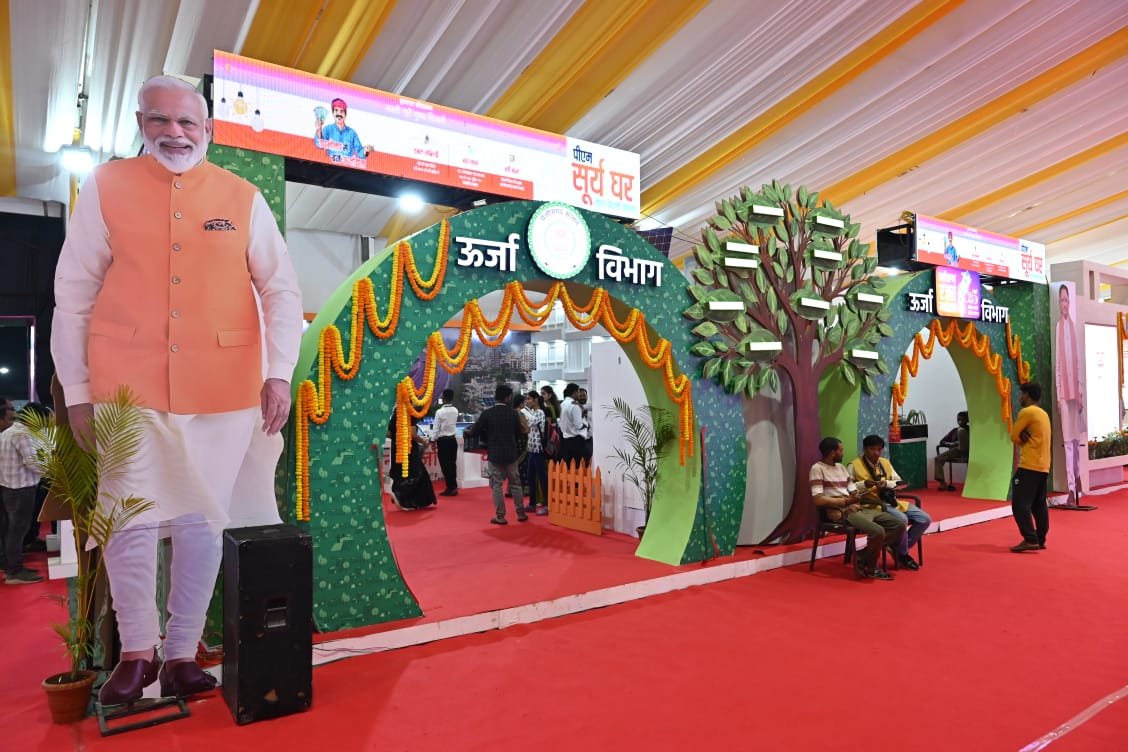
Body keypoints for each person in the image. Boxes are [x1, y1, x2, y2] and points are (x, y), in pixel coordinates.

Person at [51, 76, 303, 704]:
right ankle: (137, 654)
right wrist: (77, 390)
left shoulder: (242, 197)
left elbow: (280, 289)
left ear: (207, 129)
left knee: (203, 520)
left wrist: (278, 371)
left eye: (188, 122)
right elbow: (74, 293)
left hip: (224, 388)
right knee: (128, 521)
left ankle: (183, 653)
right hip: (124, 386)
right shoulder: (106, 186)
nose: (175, 133)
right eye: (160, 120)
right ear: (141, 123)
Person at [811, 437, 904, 581]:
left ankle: (862, 555)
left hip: (856, 508)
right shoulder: (817, 469)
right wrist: (845, 501)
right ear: (832, 452)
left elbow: (853, 490)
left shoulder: (841, 468)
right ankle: (871, 568)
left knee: (899, 525)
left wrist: (858, 494)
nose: (843, 453)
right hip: (840, 513)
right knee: (878, 531)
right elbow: (818, 499)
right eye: (841, 450)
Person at [849, 434, 930, 570]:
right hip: (871, 504)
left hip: (891, 501)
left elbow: (898, 482)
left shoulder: (885, 462)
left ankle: (896, 548)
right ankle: (902, 554)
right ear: (865, 449)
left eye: (879, 449)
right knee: (902, 519)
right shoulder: (854, 465)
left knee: (925, 519)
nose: (876, 453)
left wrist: (886, 483)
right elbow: (848, 487)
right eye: (872, 449)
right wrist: (864, 484)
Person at [0, 403, 50, 584]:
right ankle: (14, 571)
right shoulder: (23, 434)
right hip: (21, 489)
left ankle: (9, 564)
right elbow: (34, 463)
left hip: (8, 487)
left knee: (9, 529)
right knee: (18, 530)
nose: (42, 425)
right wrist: (52, 470)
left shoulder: (8, 432)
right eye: (42, 421)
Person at [464, 385, 527, 525]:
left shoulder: (488, 413)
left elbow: (475, 431)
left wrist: (467, 434)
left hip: (494, 454)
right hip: (511, 453)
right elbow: (519, 433)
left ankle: (500, 516)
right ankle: (521, 513)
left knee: (496, 485)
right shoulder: (513, 414)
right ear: (508, 397)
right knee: (515, 484)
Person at [1010, 382, 1051, 552]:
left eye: (1022, 394)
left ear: (1027, 395)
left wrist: (1021, 436)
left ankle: (1030, 539)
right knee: (1039, 505)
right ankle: (1040, 539)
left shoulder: (1027, 412)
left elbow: (1013, 435)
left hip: (1029, 465)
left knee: (1019, 504)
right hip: (1043, 466)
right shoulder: (1043, 414)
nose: (1020, 397)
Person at [1055, 285, 1084, 504]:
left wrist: (1080, 392)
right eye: (1061, 301)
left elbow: (1078, 362)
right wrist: (1059, 396)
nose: (1064, 304)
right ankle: (1072, 488)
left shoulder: (1074, 327)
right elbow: (1059, 364)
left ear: (1069, 303)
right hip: (1065, 394)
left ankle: (1078, 475)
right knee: (1067, 441)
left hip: (1076, 393)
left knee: (1075, 439)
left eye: (1066, 300)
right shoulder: (1059, 327)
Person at [385, 408, 437, 510]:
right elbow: (413, 434)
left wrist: (397, 438)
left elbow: (388, 433)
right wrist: (424, 442)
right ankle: (404, 497)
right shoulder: (410, 414)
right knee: (415, 473)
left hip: (397, 448)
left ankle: (401, 496)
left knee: (401, 472)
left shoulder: (395, 415)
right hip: (409, 449)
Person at [314, 97, 371, 163]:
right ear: (333, 113)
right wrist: (319, 130)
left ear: (345, 114)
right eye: (336, 110)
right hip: (330, 165)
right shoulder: (327, 129)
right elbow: (319, 145)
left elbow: (360, 153)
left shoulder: (352, 133)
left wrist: (365, 150)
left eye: (341, 111)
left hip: (346, 167)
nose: (339, 114)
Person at [521, 391, 548, 515]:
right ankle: (532, 503)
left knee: (542, 477)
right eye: (526, 399)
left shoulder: (539, 412)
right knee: (530, 476)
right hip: (532, 448)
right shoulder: (533, 412)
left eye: (529, 399)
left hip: (538, 449)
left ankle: (547, 505)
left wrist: (521, 415)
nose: (527, 401)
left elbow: (527, 425)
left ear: (536, 399)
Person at [433, 389, 460, 497]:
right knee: (452, 464)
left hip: (443, 441)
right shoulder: (455, 410)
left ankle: (450, 487)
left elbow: (436, 428)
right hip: (453, 440)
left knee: (445, 465)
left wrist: (432, 439)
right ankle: (453, 486)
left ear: (443, 398)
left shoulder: (439, 412)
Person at [935, 411, 970, 491]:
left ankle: (971, 483)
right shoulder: (954, 430)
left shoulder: (970, 430)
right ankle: (942, 483)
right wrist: (951, 444)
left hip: (968, 452)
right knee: (938, 459)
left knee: (962, 442)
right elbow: (942, 441)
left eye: (962, 420)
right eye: (958, 420)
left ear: (967, 420)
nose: (960, 422)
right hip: (955, 451)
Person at [558, 383, 586, 467]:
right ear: (574, 392)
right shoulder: (574, 405)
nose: (579, 394)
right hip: (576, 441)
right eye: (578, 392)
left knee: (568, 466)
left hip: (565, 439)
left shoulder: (562, 404)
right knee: (577, 466)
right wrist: (586, 425)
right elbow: (579, 425)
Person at [576, 388, 594, 463]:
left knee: (589, 460)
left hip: (589, 439)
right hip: (578, 439)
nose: (582, 397)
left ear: (587, 396)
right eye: (580, 396)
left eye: (584, 395)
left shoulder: (592, 407)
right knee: (579, 461)